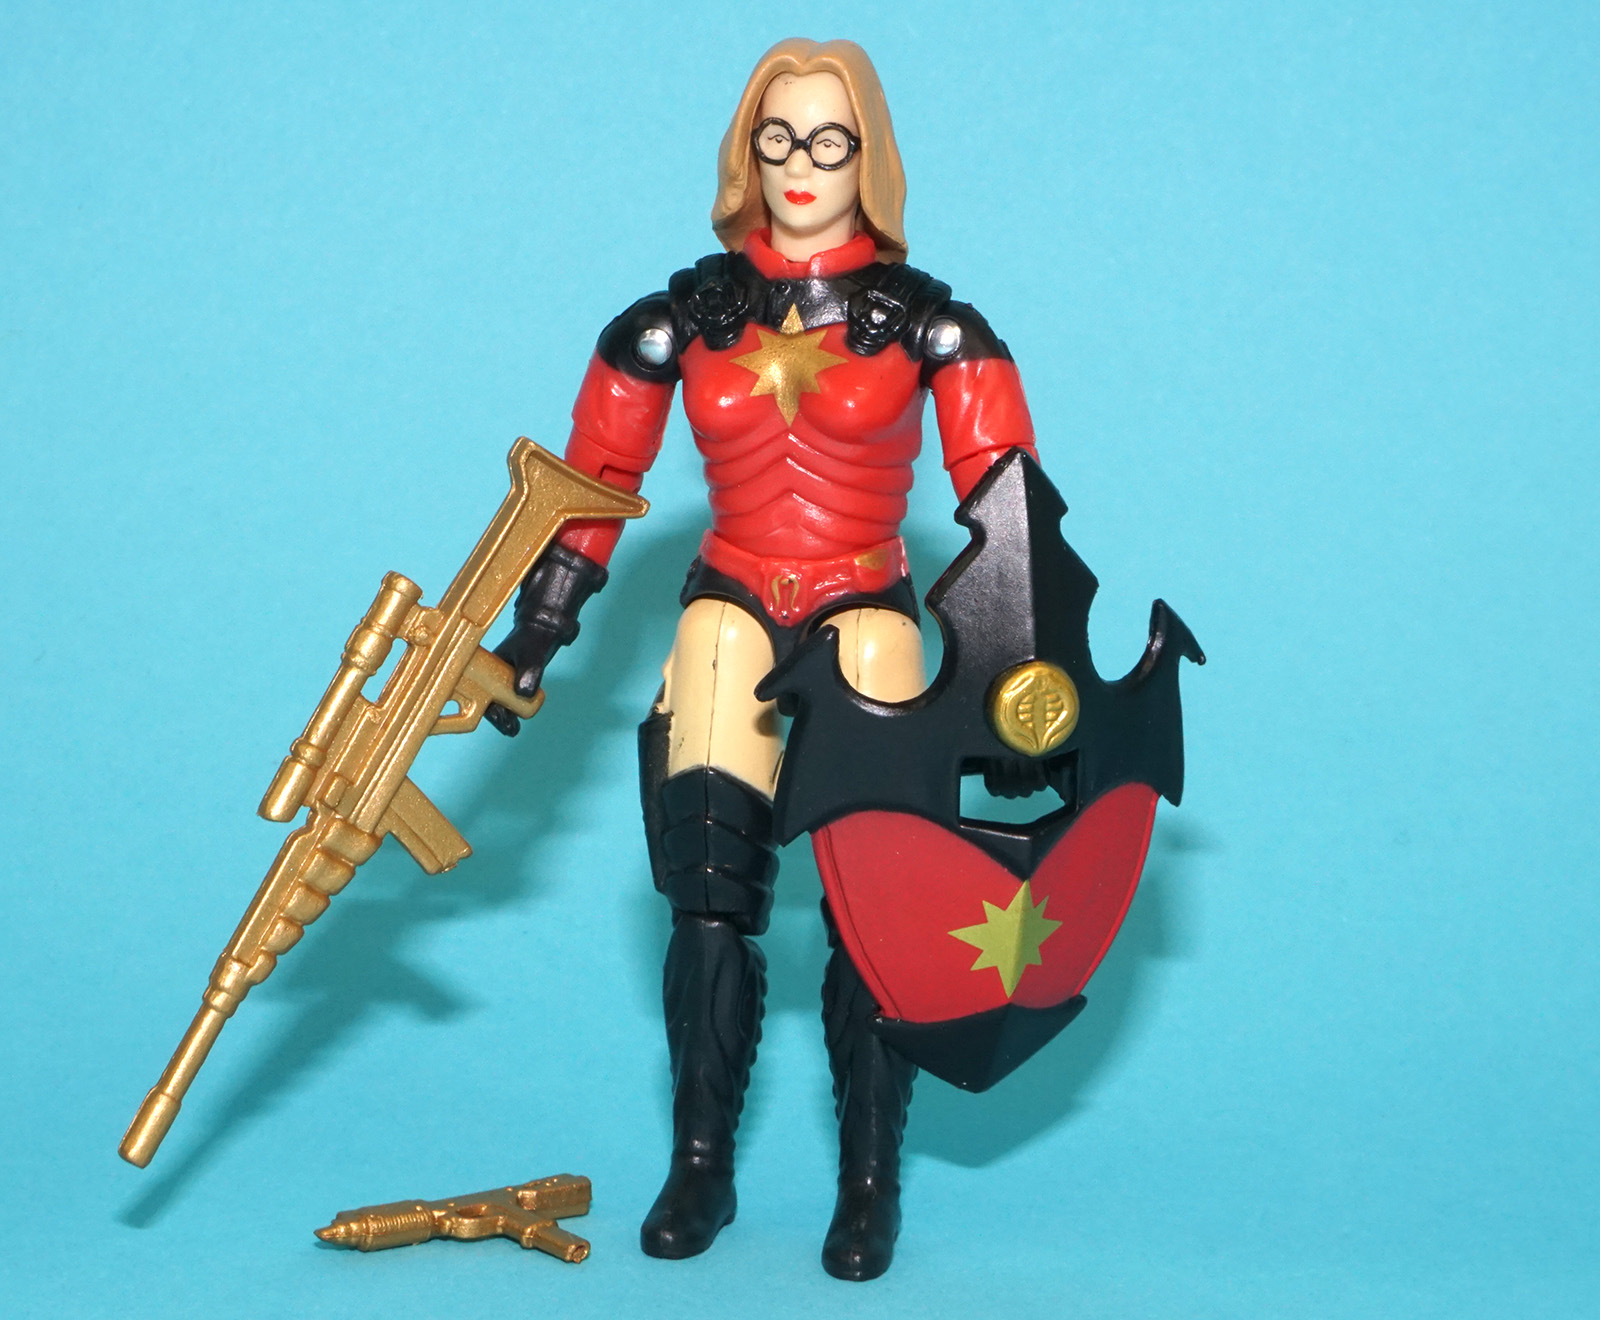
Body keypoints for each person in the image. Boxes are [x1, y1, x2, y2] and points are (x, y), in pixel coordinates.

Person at [485, 37, 1039, 1281]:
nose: (801, 166)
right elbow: (589, 485)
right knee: (705, 887)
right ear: (747, 152)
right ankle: (700, 1163)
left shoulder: (933, 326)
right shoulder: (677, 321)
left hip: (863, 605)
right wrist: (537, 631)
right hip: (731, 597)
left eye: (829, 142)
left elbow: (1007, 501)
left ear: (868, 157)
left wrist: (1017, 680)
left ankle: (869, 1181)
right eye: (777, 139)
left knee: (874, 907)